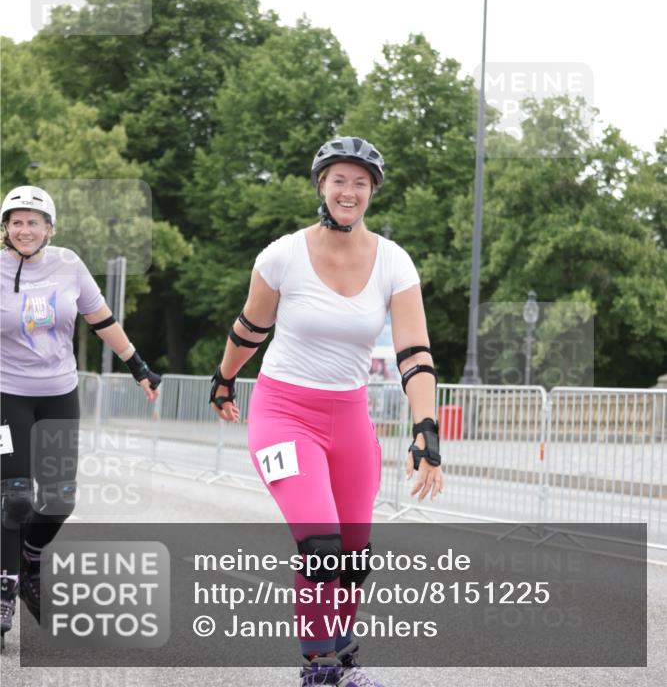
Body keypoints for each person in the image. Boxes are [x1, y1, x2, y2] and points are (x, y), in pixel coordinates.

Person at [210, 138, 443, 687]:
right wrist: (224, 379)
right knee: (320, 547)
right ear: (321, 185)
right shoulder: (282, 255)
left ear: (372, 193)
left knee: (355, 557)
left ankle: (340, 657)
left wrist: (425, 430)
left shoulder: (394, 261)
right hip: (283, 413)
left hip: (349, 419)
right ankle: (318, 670)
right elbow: (250, 328)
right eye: (339, 179)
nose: (349, 191)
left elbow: (415, 353)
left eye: (360, 182)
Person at [0, 185, 162, 647]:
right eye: (16, 222)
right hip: (6, 395)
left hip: (58, 394)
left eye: (33, 221)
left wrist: (138, 367)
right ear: (6, 229)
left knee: (59, 500)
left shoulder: (68, 265)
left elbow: (102, 319)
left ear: (49, 227)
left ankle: (31, 559)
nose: (24, 229)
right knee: (12, 498)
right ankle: (5, 587)